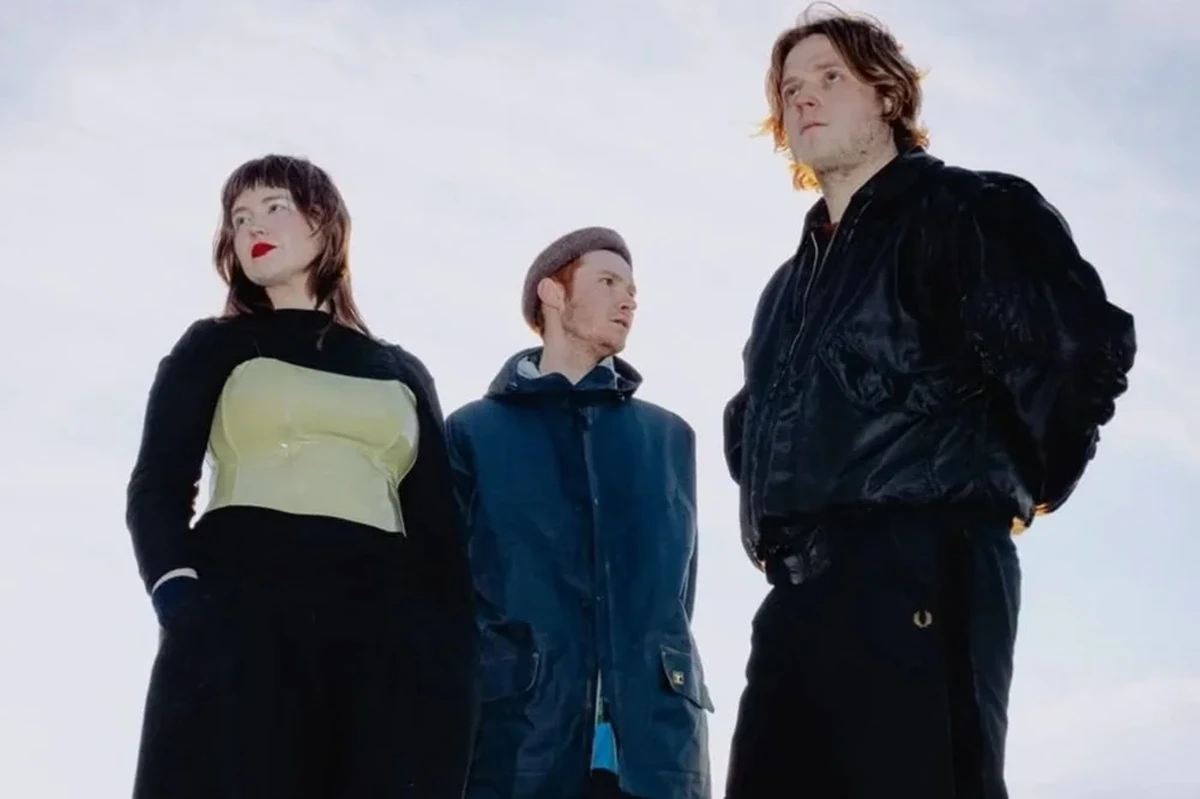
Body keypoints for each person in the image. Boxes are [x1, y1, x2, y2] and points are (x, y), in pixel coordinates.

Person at [721, 7, 1136, 799]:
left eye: (830, 77)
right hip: (793, 602)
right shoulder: (785, 290)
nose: (803, 97)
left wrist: (1010, 491)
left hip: (921, 571)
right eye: (790, 88)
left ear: (887, 94)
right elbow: (753, 427)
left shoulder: (965, 209)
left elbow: (1078, 349)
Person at [125, 154, 478, 799]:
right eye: (238, 218)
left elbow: (440, 530)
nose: (252, 227)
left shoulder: (401, 369)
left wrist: (450, 655)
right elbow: (157, 487)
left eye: (273, 207)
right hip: (243, 618)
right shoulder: (212, 345)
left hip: (384, 636)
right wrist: (183, 604)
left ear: (325, 223)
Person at [445, 227, 714, 799]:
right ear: (553, 293)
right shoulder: (473, 434)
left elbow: (678, 595)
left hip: (657, 744)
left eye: (633, 291)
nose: (628, 301)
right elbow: (447, 593)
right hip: (519, 735)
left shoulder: (670, 438)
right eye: (608, 282)